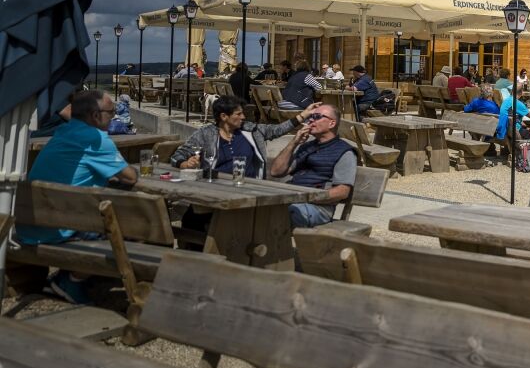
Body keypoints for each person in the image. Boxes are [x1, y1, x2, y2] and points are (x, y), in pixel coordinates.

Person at [18, 91, 139, 304]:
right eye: (111, 112)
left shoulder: (63, 131)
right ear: (95, 115)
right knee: (133, 226)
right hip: (59, 231)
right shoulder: (96, 139)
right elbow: (130, 177)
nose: (114, 116)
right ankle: (73, 280)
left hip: (31, 225)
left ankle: (76, 275)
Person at [173, 95, 315, 176]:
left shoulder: (252, 130)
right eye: (238, 114)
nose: (243, 117)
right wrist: (185, 163)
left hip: (249, 187)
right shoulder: (205, 134)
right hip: (215, 187)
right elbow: (178, 155)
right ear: (224, 116)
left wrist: (303, 115)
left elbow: (277, 129)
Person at [269, 104, 357, 228]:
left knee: (282, 213)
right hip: (293, 201)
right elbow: (276, 171)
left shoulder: (345, 152)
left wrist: (306, 197)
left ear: (332, 123)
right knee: (259, 210)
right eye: (310, 117)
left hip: (318, 208)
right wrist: (294, 143)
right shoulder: (306, 147)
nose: (310, 120)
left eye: (317, 116)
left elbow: (342, 192)